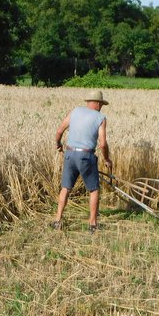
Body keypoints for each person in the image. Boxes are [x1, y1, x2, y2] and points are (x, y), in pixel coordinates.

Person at [51, 89, 113, 233]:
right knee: (94, 190)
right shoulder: (100, 117)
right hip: (86, 156)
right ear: (97, 103)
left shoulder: (75, 111)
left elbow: (59, 130)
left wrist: (58, 144)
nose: (102, 107)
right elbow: (103, 144)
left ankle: (57, 220)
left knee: (65, 188)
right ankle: (92, 225)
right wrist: (107, 159)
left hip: (69, 154)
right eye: (101, 104)